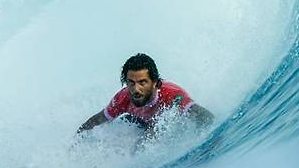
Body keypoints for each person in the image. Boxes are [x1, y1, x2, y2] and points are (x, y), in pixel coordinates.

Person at [77, 53, 214, 136]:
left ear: (155, 82)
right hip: (140, 121)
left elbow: (206, 117)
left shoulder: (172, 95)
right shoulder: (123, 97)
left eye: (142, 82)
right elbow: (96, 121)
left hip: (171, 125)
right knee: (120, 125)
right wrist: (76, 141)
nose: (136, 89)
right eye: (131, 82)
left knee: (152, 133)